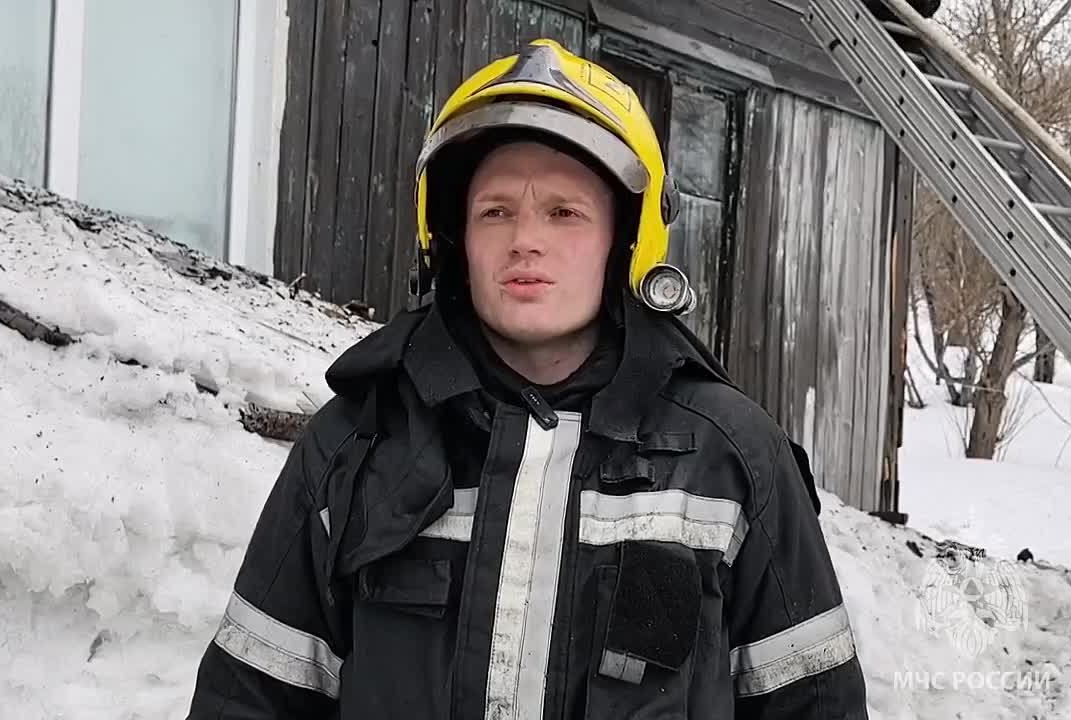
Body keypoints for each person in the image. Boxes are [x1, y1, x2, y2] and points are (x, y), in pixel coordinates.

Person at [186, 38, 867, 719]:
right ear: (454, 241)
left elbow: (816, 706)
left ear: (625, 242)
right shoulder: (355, 444)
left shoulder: (731, 458)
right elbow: (247, 700)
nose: (524, 241)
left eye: (564, 212)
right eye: (496, 211)